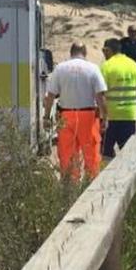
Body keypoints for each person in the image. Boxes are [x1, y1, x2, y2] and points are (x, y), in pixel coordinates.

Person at [43, 42, 108, 180]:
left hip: (66, 116)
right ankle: (91, 183)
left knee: (67, 154)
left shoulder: (60, 69)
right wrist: (104, 117)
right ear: (85, 53)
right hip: (88, 116)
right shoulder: (93, 68)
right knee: (91, 153)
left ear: (71, 52)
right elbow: (100, 97)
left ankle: (70, 187)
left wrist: (46, 117)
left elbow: (50, 96)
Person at [100, 38, 136, 158]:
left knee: (106, 153)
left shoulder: (105, 67)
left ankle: (109, 176)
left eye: (104, 50)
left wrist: (103, 117)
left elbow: (101, 94)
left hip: (111, 116)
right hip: (129, 115)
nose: (103, 53)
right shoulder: (133, 65)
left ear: (109, 50)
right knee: (128, 153)